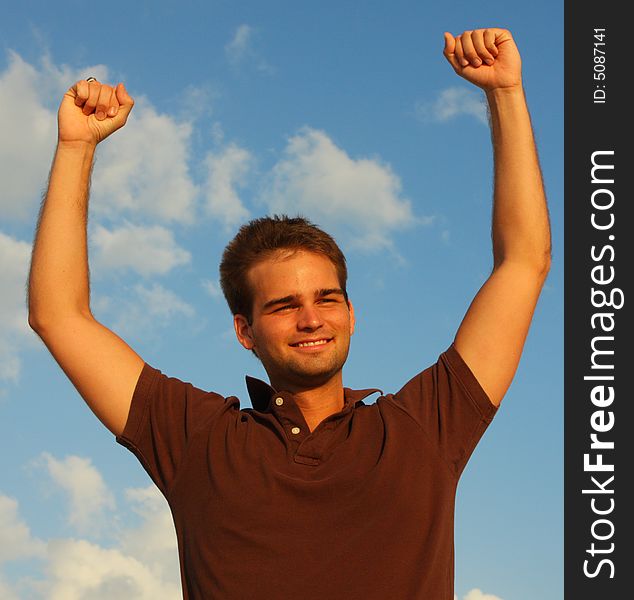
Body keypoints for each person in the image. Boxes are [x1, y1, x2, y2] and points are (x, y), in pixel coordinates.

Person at [28, 28, 551, 600]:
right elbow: (60, 316)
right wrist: (77, 148)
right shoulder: (197, 438)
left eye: (326, 298)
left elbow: (524, 263)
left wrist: (506, 93)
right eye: (283, 305)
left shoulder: (423, 428)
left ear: (352, 314)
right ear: (244, 331)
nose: (311, 319)